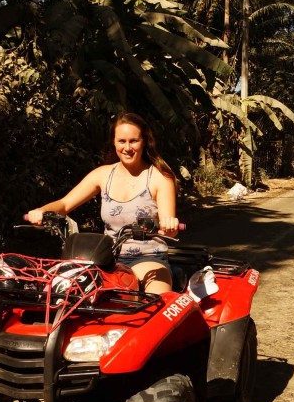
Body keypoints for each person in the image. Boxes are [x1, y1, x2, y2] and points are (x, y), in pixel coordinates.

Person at [26, 113, 180, 294]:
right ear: (114, 142)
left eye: (134, 141)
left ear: (144, 141)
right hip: (106, 259)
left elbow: (168, 224)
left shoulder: (160, 178)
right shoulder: (103, 174)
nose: (128, 147)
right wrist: (41, 211)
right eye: (122, 141)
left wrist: (170, 226)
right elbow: (65, 204)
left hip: (148, 259)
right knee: (67, 296)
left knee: (156, 305)